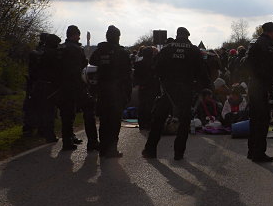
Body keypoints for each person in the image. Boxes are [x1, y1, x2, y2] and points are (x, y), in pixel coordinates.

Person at [142, 27, 209, 160]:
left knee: (159, 120)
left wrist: (163, 80)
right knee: (184, 123)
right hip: (186, 89)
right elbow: (202, 72)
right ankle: (179, 153)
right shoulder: (194, 50)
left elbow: (155, 67)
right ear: (187, 36)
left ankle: (150, 150)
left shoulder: (167, 48)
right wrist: (204, 87)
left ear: (177, 35)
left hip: (168, 90)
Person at [89, 25, 133, 157]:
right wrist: (128, 94)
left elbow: (91, 68)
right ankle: (111, 149)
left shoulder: (98, 51)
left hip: (102, 91)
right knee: (114, 122)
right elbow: (127, 76)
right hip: (117, 92)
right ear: (117, 37)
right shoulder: (122, 53)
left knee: (104, 120)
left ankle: (103, 148)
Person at [246, 22, 273, 163]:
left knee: (254, 119)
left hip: (252, 84)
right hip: (262, 86)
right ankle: (259, 153)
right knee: (262, 120)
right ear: (272, 32)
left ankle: (251, 150)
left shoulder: (253, 42)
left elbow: (246, 63)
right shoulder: (269, 45)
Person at [57, 25, 91, 150]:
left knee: (66, 113)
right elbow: (83, 64)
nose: (79, 37)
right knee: (74, 112)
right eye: (78, 34)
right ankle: (68, 141)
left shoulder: (60, 48)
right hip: (74, 84)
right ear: (74, 35)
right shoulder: (76, 49)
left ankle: (69, 137)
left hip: (61, 84)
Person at [32, 33, 61, 142]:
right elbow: (58, 69)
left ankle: (40, 130)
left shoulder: (39, 52)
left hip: (38, 83)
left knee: (40, 108)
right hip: (50, 84)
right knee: (50, 110)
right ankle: (49, 134)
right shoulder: (54, 53)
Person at [22, 32, 48, 136]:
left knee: (31, 105)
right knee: (42, 106)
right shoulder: (44, 53)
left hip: (33, 82)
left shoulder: (34, 52)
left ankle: (29, 127)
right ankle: (40, 127)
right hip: (41, 82)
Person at [133, 46, 159, 130]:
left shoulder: (138, 64)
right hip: (153, 87)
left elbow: (135, 77)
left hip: (142, 87)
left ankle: (141, 123)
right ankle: (149, 123)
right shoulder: (155, 64)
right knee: (151, 105)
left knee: (142, 105)